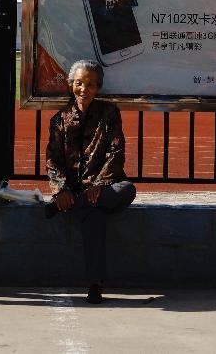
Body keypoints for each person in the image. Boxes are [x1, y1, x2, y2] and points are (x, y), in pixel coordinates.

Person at [45, 59, 137, 304]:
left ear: (97, 88)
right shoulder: (59, 120)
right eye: (79, 83)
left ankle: (69, 205)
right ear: (70, 85)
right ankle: (95, 283)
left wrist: (99, 184)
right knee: (94, 215)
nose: (84, 89)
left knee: (127, 189)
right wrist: (61, 189)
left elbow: (116, 153)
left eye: (90, 84)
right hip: (77, 190)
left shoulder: (109, 113)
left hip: (103, 188)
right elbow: (53, 160)